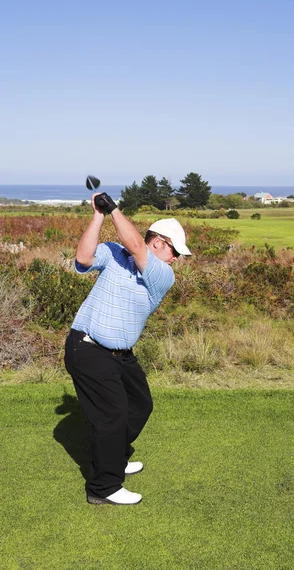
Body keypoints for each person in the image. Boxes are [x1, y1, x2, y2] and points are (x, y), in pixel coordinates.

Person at [64, 192, 191, 505]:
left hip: (121, 355)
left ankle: (113, 456)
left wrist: (114, 210)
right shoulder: (114, 253)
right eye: (175, 251)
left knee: (140, 405)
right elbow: (82, 259)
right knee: (112, 415)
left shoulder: (164, 275)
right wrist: (99, 215)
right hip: (88, 348)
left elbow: (136, 246)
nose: (177, 259)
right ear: (159, 242)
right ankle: (103, 488)